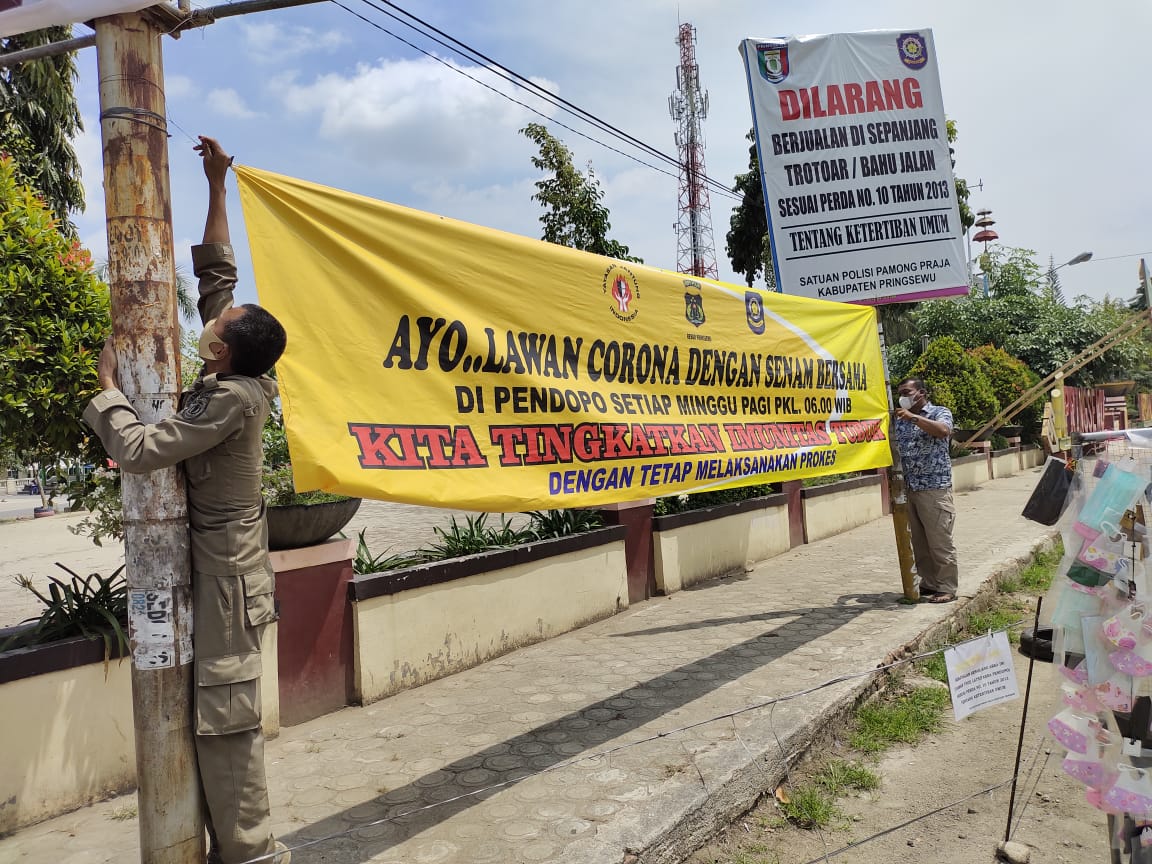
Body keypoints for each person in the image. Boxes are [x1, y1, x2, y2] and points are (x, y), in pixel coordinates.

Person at [83, 137, 289, 864]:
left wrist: (106, 392)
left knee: (226, 719)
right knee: (216, 714)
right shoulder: (240, 369)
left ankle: (253, 854)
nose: (217, 315)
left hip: (227, 575)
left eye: (222, 323)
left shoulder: (229, 399)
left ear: (222, 352)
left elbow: (140, 451)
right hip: (220, 564)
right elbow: (219, 278)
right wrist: (216, 185)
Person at [893, 377, 958, 604]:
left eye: (906, 392)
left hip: (935, 488)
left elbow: (943, 431)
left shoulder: (939, 412)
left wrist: (914, 418)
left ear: (921, 393)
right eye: (900, 392)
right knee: (919, 542)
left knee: (939, 540)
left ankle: (947, 586)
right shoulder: (899, 420)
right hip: (910, 488)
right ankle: (929, 583)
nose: (902, 396)